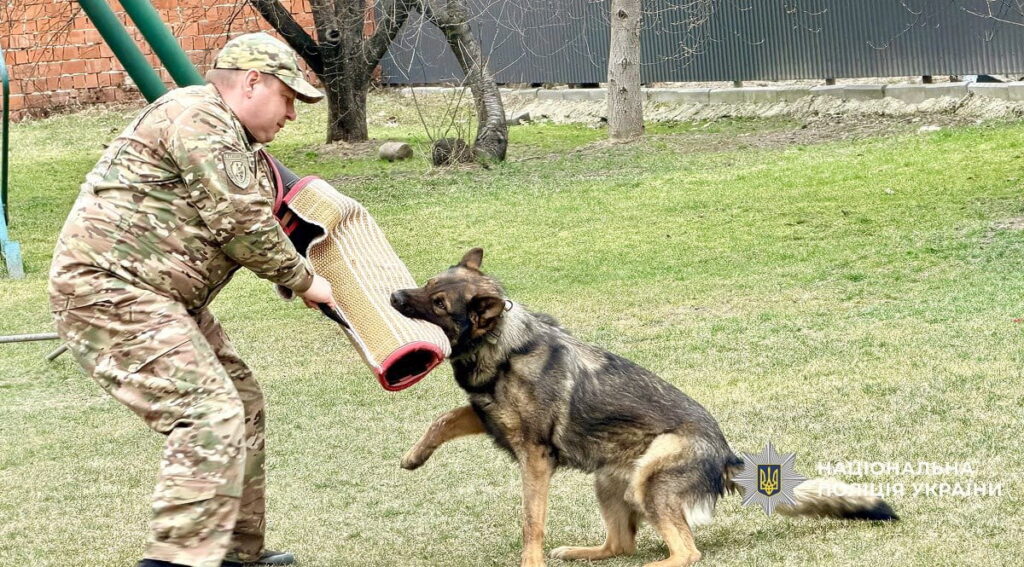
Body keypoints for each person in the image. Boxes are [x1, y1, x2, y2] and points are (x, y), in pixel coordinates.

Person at [48, 33, 335, 567]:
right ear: (253, 82)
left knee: (241, 400)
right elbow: (242, 222)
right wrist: (305, 281)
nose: (293, 114)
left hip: (160, 297)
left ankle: (231, 555)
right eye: (289, 97)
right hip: (110, 290)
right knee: (208, 410)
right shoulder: (197, 115)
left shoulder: (234, 140)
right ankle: (178, 561)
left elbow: (240, 227)